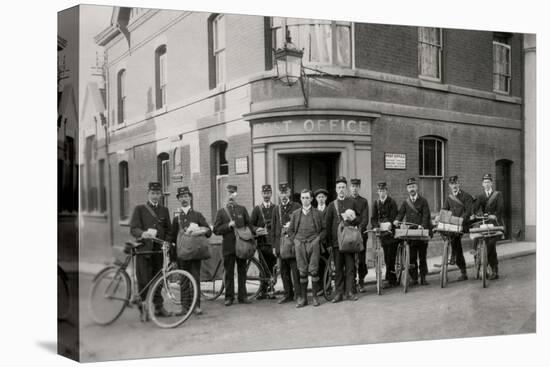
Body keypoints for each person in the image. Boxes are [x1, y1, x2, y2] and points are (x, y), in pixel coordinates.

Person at [129, 182, 172, 318]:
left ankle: (159, 307)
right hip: (144, 251)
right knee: (144, 280)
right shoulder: (140, 209)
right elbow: (133, 228)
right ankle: (144, 308)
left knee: (158, 279)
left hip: (158, 252)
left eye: (158, 193)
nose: (155, 196)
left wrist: (167, 242)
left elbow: (169, 230)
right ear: (148, 194)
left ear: (161, 194)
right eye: (153, 193)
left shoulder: (164, 210)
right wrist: (142, 233)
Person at [169, 186, 212, 315]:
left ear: (190, 197)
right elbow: (172, 238)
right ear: (178, 199)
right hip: (182, 254)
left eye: (186, 196)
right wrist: (173, 258)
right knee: (183, 280)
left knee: (195, 279)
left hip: (195, 254)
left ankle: (196, 305)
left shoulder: (197, 215)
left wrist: (199, 230)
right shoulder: (176, 218)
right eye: (181, 197)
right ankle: (185, 307)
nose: (184, 199)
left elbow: (209, 231)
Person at [213, 185, 255, 306]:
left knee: (242, 272)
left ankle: (243, 296)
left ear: (236, 195)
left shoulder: (242, 209)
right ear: (225, 195)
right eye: (229, 193)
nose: (231, 196)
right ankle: (229, 297)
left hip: (242, 246)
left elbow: (249, 225)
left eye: (233, 193)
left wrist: (253, 235)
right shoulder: (221, 212)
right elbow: (216, 230)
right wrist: (228, 225)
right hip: (229, 247)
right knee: (229, 272)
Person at [288, 189, 326, 307]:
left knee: (314, 271)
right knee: (302, 271)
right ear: (300, 199)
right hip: (300, 244)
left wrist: (318, 239)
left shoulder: (317, 213)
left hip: (313, 243)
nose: (305, 200)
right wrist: (295, 240)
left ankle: (314, 297)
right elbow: (290, 230)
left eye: (307, 198)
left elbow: (324, 230)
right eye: (303, 198)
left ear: (311, 199)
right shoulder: (295, 214)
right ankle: (303, 298)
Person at [325, 176, 361, 302]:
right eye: (339, 187)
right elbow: (327, 225)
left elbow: (359, 219)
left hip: (349, 241)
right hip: (336, 243)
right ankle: (339, 293)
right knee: (338, 268)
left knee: (350, 267)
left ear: (346, 189)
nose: (341, 190)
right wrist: (329, 243)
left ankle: (350, 292)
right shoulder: (331, 205)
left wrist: (353, 219)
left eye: (343, 187)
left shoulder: (352, 202)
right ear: (336, 189)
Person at [394, 177, 432, 286]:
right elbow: (401, 213)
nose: (411, 189)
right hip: (411, 233)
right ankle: (414, 278)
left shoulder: (423, 201)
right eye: (409, 187)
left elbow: (426, 215)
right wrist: (397, 220)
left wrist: (423, 226)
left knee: (422, 256)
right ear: (407, 189)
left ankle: (423, 277)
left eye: (413, 186)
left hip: (421, 232)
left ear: (417, 187)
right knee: (412, 257)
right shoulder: (406, 202)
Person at [270, 182, 301, 304]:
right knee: (283, 271)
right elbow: (273, 229)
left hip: (293, 244)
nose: (283, 195)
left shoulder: (296, 206)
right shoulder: (275, 210)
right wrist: (274, 246)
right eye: (281, 193)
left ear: (289, 192)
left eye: (285, 192)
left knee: (295, 270)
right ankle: (288, 294)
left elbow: (300, 224)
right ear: (278, 194)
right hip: (281, 245)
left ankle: (298, 295)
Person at [472, 173, 504, 280]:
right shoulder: (480, 196)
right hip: (484, 222)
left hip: (494, 224)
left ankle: (494, 270)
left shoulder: (497, 195)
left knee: (490, 245)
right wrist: (476, 214)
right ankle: (478, 259)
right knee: (476, 238)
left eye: (488, 182)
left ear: (492, 183)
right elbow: (475, 209)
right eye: (485, 182)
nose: (486, 184)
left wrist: (494, 215)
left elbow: (500, 209)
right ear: (482, 184)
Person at [442, 175, 473, 282]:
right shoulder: (449, 198)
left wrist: (460, 220)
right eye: (452, 184)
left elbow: (468, 212)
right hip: (452, 225)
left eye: (455, 184)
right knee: (445, 233)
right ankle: (453, 253)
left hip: (463, 224)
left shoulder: (466, 196)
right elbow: (444, 210)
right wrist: (440, 217)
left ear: (459, 184)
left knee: (455, 240)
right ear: (450, 186)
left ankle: (462, 269)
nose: (454, 186)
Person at [250, 184, 277, 299]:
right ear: (262, 194)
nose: (266, 195)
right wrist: (257, 229)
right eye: (264, 193)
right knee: (263, 266)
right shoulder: (257, 209)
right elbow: (250, 224)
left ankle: (271, 289)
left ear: (271, 194)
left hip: (272, 242)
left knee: (272, 266)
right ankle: (263, 290)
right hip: (262, 242)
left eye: (268, 193)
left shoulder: (275, 208)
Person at [371, 182, 399, 288]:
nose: (381, 192)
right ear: (378, 192)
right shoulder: (376, 203)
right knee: (386, 255)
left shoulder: (392, 202)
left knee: (390, 257)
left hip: (391, 233)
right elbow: (373, 218)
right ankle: (389, 278)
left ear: (386, 191)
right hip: (382, 233)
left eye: (383, 190)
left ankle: (392, 279)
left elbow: (394, 216)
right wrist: (375, 226)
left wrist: (390, 224)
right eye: (380, 191)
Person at [349, 178, 369, 293]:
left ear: (359, 188)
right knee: (351, 259)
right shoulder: (347, 201)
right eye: (352, 186)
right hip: (349, 234)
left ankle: (361, 281)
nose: (354, 188)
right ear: (350, 188)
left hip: (361, 234)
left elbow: (365, 218)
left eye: (356, 186)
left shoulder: (364, 201)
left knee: (361, 259)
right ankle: (352, 282)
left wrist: (360, 229)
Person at [314, 188, 330, 296]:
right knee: (317, 265)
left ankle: (327, 287)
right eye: (319, 197)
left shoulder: (329, 210)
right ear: (315, 199)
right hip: (316, 243)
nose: (321, 199)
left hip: (326, 243)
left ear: (326, 198)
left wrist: (328, 243)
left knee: (327, 265)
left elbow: (329, 228)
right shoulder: (313, 211)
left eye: (322, 197)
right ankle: (320, 287)